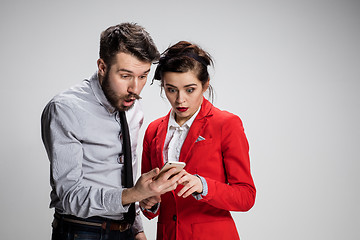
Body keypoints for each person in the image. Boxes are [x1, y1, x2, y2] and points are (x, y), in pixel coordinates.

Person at [41, 23, 183, 240]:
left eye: (143, 76)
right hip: (82, 231)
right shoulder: (65, 109)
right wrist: (135, 194)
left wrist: (137, 228)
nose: (135, 88)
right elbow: (69, 196)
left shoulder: (133, 108)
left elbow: (126, 174)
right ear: (102, 67)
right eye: (125, 75)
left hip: (125, 230)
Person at [140, 41, 256, 239]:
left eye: (190, 89)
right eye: (171, 89)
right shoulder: (153, 130)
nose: (180, 99)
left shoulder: (226, 124)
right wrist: (149, 201)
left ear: (205, 85)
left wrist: (204, 186)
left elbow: (246, 196)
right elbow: (149, 197)